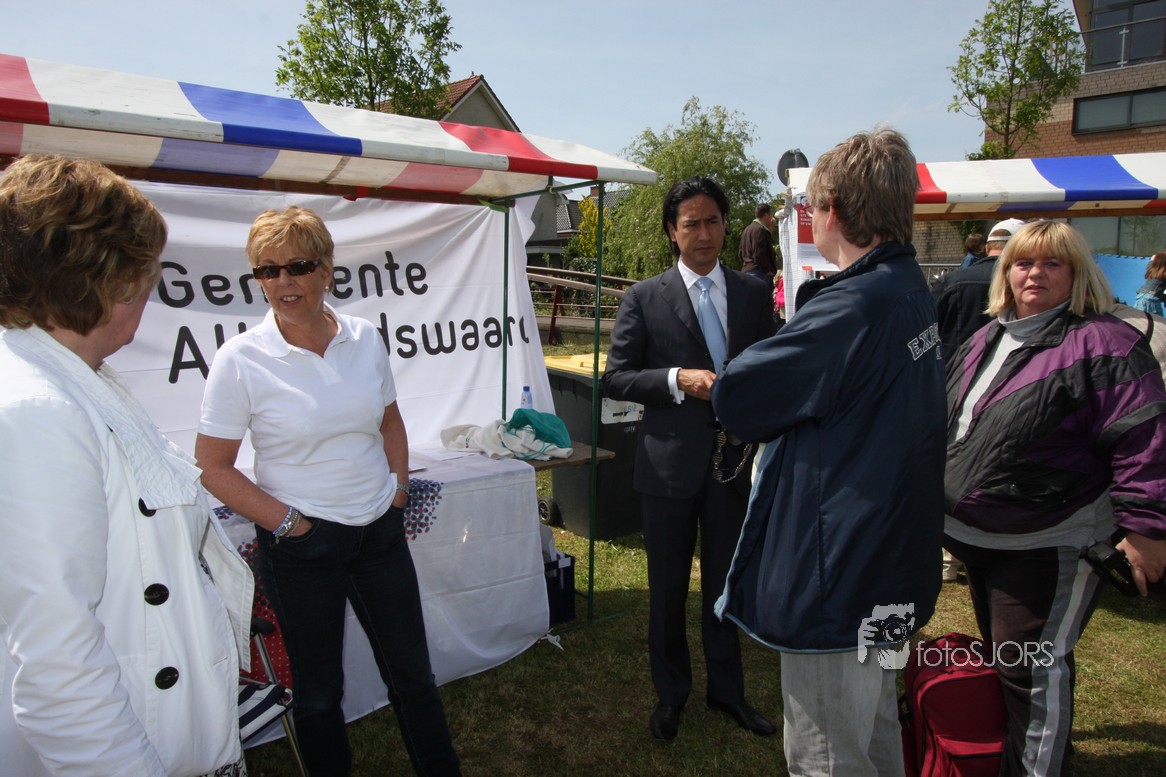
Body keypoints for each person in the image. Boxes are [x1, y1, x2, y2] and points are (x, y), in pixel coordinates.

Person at [0, 154, 253, 776]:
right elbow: (59, 665)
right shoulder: (37, 408)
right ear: (107, 277)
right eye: (146, 268)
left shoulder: (80, 379)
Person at [711, 128, 946, 777]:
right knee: (874, 733)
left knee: (828, 758)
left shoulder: (853, 306)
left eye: (811, 206)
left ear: (831, 210)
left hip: (840, 574)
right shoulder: (908, 287)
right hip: (890, 561)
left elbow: (739, 396)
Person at [195, 207, 460, 776]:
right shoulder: (240, 359)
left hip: (379, 534)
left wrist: (398, 490)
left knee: (413, 677)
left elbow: (390, 420)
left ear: (326, 270)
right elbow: (213, 467)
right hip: (303, 550)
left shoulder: (364, 338)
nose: (283, 282)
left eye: (297, 266)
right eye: (267, 271)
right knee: (318, 695)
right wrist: (292, 525)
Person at [943, 220, 1166, 776]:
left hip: (1051, 540)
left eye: (1051, 263)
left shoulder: (1106, 343)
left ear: (1078, 273)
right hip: (980, 539)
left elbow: (1144, 440)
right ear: (1005, 271)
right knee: (1011, 664)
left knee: (1033, 672)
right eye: (1022, 262)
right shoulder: (988, 336)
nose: (1034, 274)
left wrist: (1145, 530)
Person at [602, 176, 776, 742]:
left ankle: (727, 691)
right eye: (691, 224)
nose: (704, 234)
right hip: (667, 468)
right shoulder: (644, 297)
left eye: (713, 221)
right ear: (672, 233)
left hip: (733, 464)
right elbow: (616, 378)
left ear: (726, 225)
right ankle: (671, 694)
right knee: (669, 587)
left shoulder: (751, 293)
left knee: (725, 584)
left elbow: (770, 365)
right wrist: (677, 379)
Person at [931, 217, 1026, 583]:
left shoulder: (954, 280)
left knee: (951, 465)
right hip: (1007, 390)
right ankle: (976, 552)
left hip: (952, 387)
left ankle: (949, 558)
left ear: (988, 246)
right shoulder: (1015, 282)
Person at [738, 202, 778, 282]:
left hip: (746, 271)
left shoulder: (747, 229)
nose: (771, 217)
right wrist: (768, 270)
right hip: (758, 273)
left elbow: (740, 253)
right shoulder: (759, 230)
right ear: (766, 215)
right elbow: (759, 253)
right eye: (771, 214)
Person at [1133, 249, 1166, 315]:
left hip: (1141, 297)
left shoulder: (1151, 268)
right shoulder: (1164, 273)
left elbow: (1152, 259)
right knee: (1156, 321)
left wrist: (1153, 259)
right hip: (1151, 299)